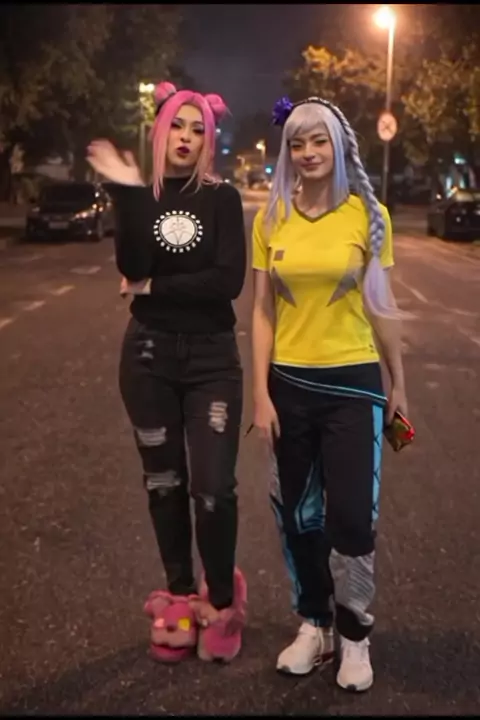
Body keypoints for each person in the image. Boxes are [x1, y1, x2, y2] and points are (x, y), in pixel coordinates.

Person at [86, 82, 247, 664]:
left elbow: (227, 281)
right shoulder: (145, 197)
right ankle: (179, 594)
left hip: (212, 359)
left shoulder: (222, 199)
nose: (186, 137)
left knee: (213, 488)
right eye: (177, 125)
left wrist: (153, 286)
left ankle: (222, 600)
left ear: (209, 140)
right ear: (160, 130)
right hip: (148, 357)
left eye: (198, 129)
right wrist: (129, 195)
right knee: (163, 482)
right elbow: (131, 263)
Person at [251, 96, 407, 692]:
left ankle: (355, 635)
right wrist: (260, 393)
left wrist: (399, 382)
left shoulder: (369, 216)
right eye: (297, 143)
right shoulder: (271, 219)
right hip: (289, 385)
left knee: (351, 517)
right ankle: (314, 624)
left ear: (340, 146)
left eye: (319, 141)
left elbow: (381, 305)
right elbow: (261, 312)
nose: (308, 152)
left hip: (353, 385)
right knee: (298, 515)